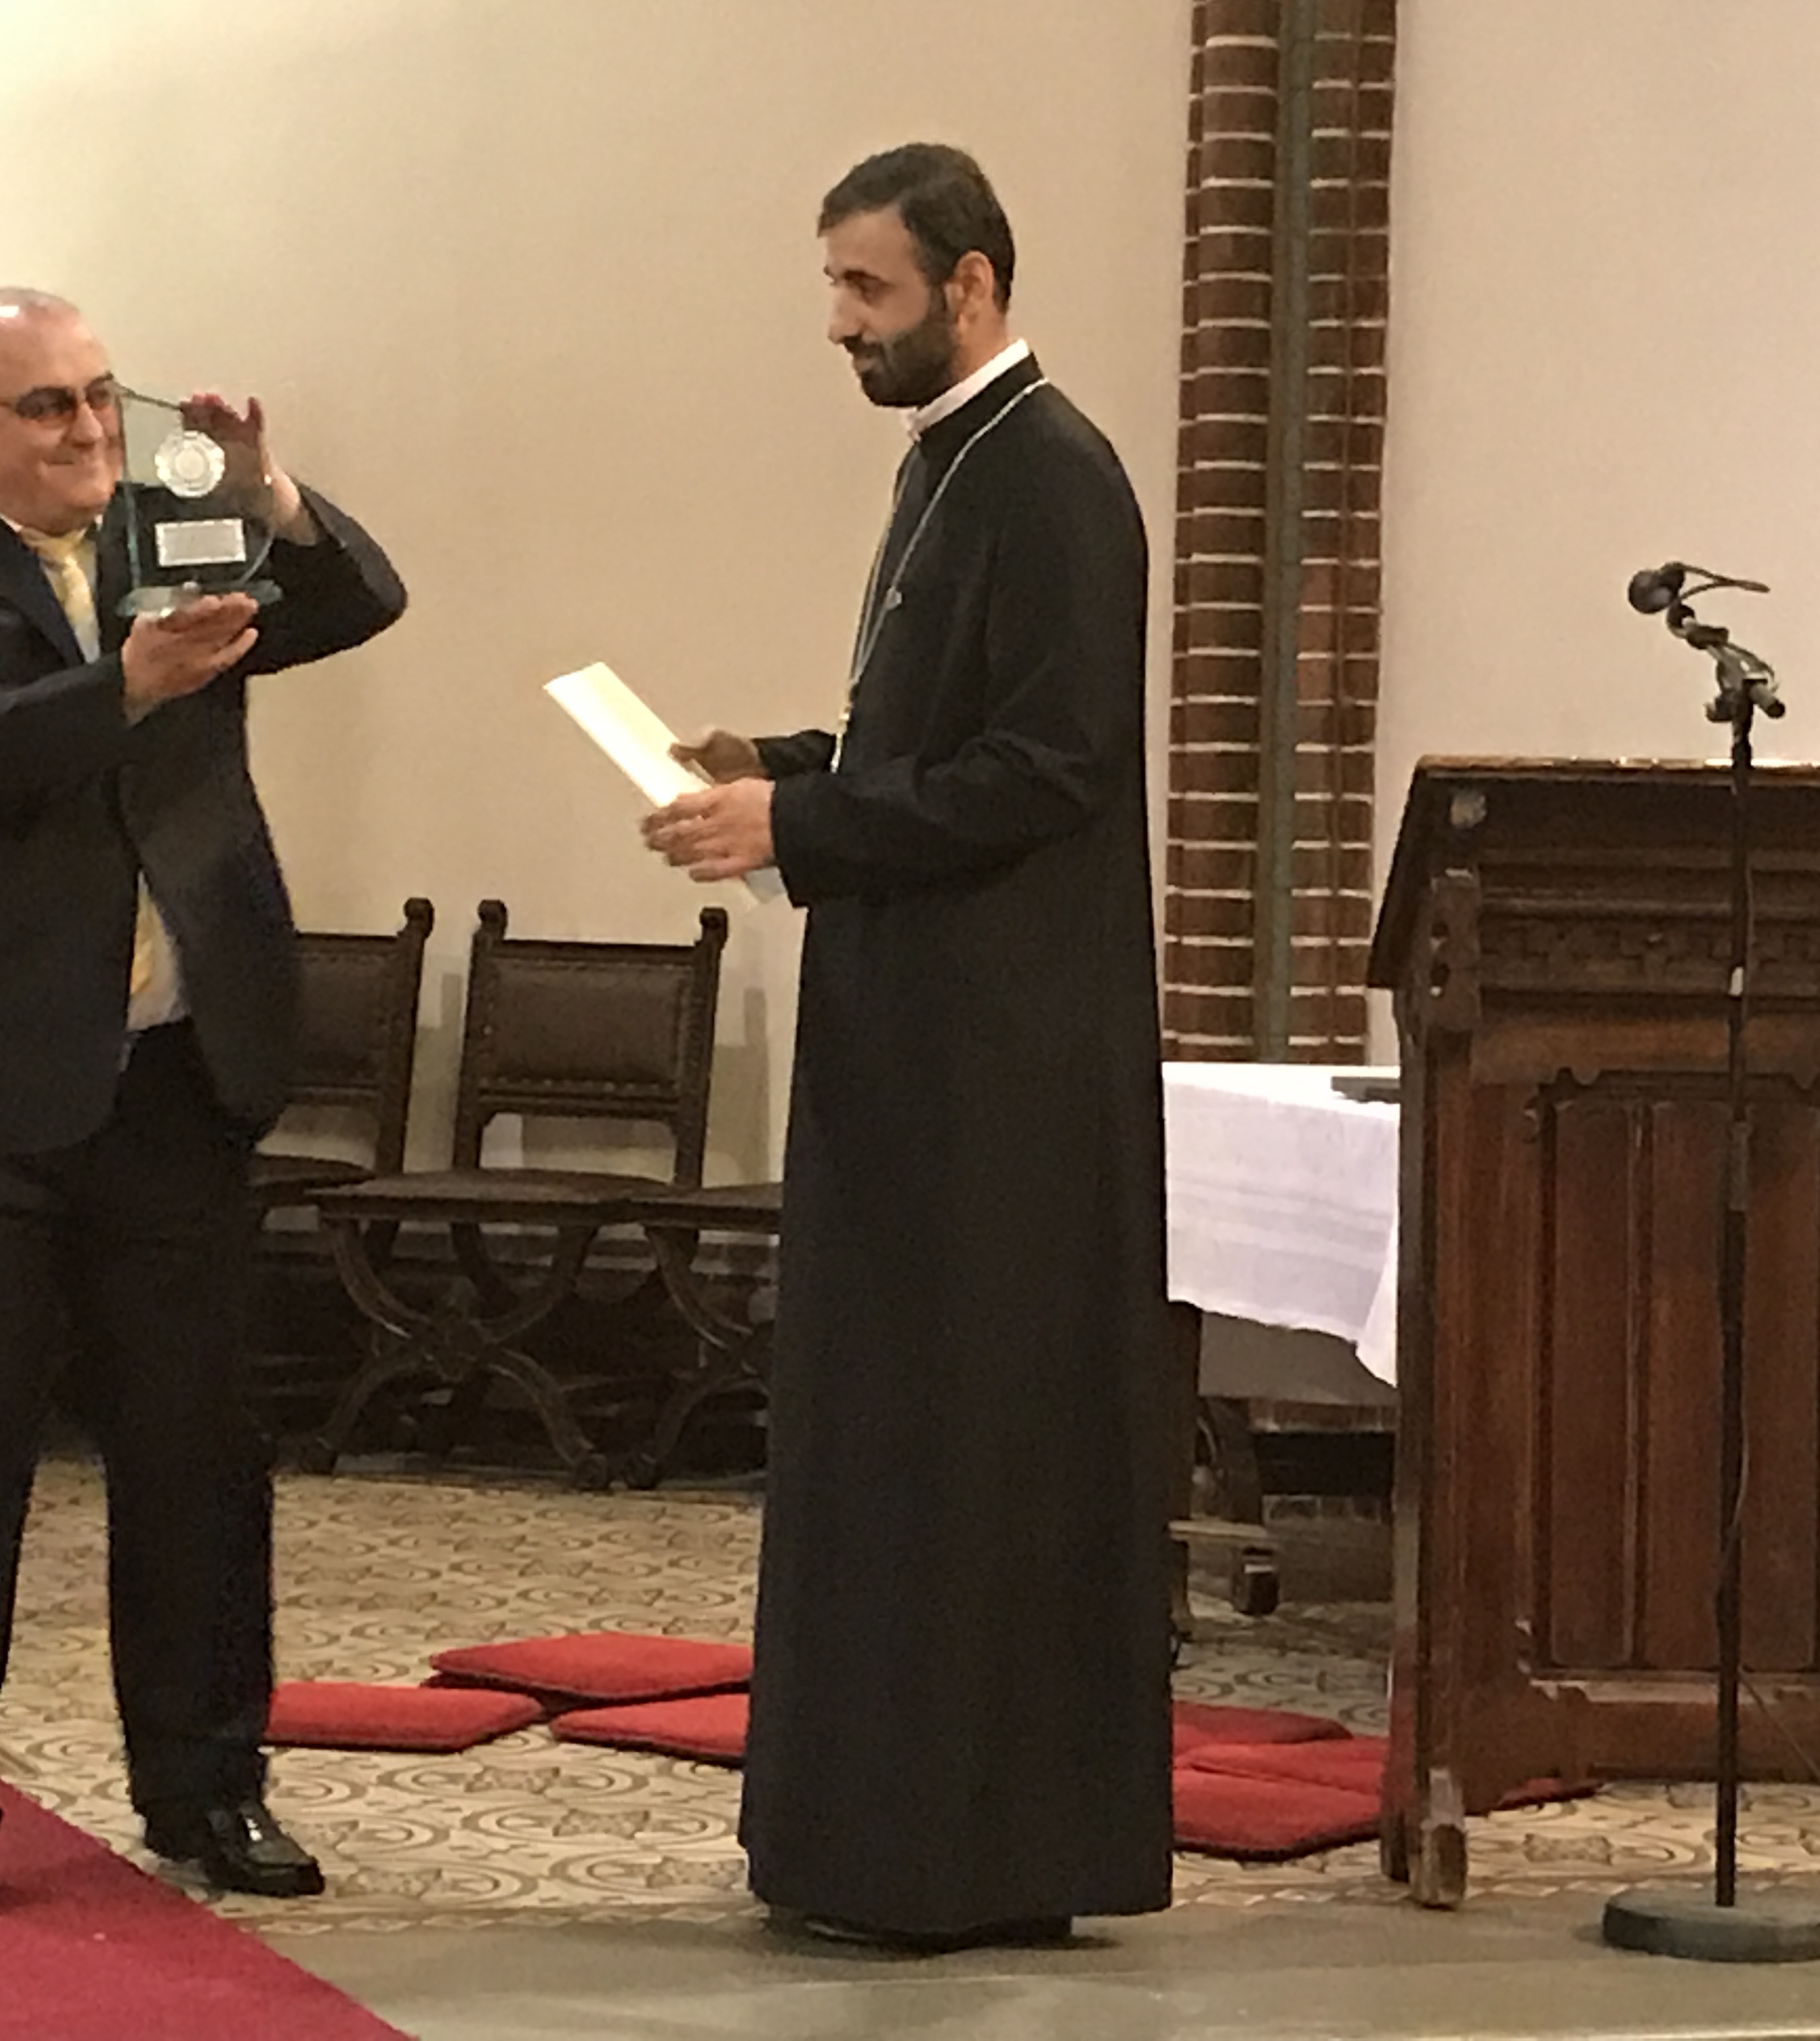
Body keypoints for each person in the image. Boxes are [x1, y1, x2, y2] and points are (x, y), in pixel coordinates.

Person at [0, 287, 406, 1924]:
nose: (88, 432)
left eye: (98, 399)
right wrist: (131, 688)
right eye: (46, 408)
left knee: (199, 1455)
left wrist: (272, 498)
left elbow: (363, 598)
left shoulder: (181, 543)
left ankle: (210, 1790)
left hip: (174, 1080)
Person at [642, 144, 1173, 1950]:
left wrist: (799, 831)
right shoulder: (951, 466)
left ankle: (975, 1851)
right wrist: (785, 766)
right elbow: (931, 735)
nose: (841, 324)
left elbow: (1052, 769)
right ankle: (872, 1842)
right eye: (835, 290)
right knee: (894, 1447)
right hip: (921, 1036)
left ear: (973, 283)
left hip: (1005, 1063)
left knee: (973, 1453)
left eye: (868, 291)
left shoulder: (1058, 478)